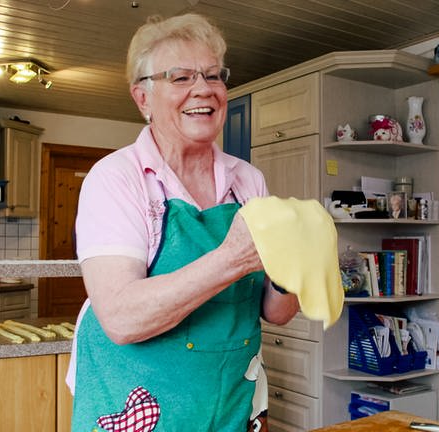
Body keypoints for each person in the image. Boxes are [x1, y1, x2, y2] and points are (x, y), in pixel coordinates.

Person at [67, 13, 299, 432]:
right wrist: (232, 258)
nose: (204, 89)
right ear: (142, 98)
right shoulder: (117, 177)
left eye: (213, 75)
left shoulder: (248, 180)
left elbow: (277, 312)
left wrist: (295, 267)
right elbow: (120, 318)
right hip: (138, 405)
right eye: (180, 78)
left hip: (231, 400)